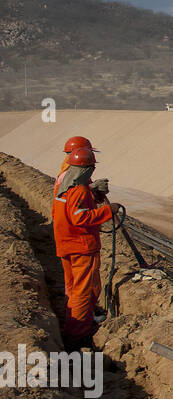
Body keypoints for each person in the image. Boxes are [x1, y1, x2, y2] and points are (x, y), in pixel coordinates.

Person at [51, 146, 120, 348]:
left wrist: (94, 196)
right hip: (81, 246)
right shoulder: (79, 189)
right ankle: (78, 335)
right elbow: (79, 216)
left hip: (66, 244)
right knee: (82, 291)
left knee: (72, 288)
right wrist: (107, 211)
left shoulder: (64, 184)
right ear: (87, 169)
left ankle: (72, 326)